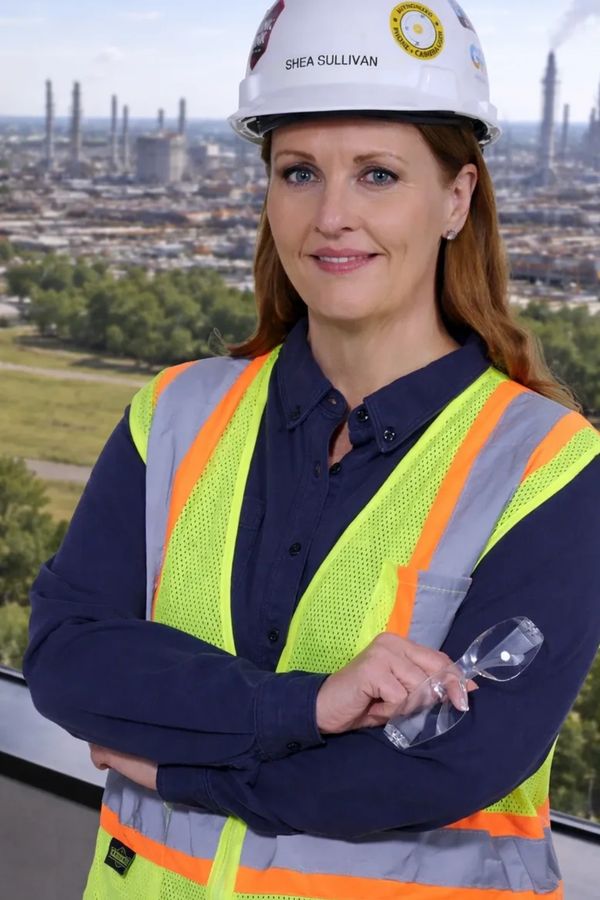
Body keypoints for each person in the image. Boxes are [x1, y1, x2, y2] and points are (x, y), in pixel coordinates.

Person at [24, 1, 600, 898]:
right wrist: (311, 706)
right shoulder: (174, 412)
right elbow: (68, 661)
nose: (332, 215)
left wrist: (181, 768)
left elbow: (443, 766)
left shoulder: (547, 466)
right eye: (299, 172)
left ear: (456, 199)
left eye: (377, 175)